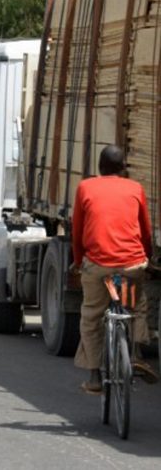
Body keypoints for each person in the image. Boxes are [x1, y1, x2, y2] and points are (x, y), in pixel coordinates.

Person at [71, 145, 158, 393]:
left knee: (92, 316)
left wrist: (79, 262)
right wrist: (147, 258)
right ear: (123, 168)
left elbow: (77, 231)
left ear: (99, 167)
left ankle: (95, 376)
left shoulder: (86, 187)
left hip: (97, 267)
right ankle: (136, 352)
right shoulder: (135, 188)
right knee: (134, 305)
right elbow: (146, 231)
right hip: (131, 266)